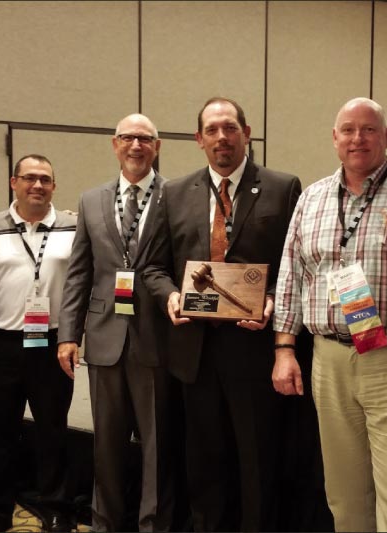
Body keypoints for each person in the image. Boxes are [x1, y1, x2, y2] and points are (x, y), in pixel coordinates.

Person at [271, 97, 387, 532]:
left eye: (369, 129)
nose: (359, 138)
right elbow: (290, 277)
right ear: (335, 138)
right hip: (328, 361)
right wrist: (284, 348)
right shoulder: (312, 198)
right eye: (349, 130)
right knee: (345, 495)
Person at [142, 97, 301, 531]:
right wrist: (170, 297)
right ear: (198, 139)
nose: (221, 137)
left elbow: (294, 265)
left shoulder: (282, 187)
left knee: (257, 463)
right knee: (204, 465)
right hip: (194, 353)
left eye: (230, 127)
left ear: (246, 133)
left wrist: (270, 298)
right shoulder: (174, 192)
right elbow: (153, 267)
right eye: (211, 130)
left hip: (253, 352)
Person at [56, 114, 174, 532]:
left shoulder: (174, 196)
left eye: (145, 138)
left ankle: (152, 525)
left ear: (156, 146)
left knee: (157, 447)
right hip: (104, 337)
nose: (136, 146)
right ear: (115, 144)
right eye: (128, 138)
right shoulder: (91, 200)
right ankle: (105, 524)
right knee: (105, 444)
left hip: (156, 340)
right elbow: (79, 272)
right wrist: (68, 335)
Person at [0, 154, 77, 532]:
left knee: (53, 431)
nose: (38, 185)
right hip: (1, 343)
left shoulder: (72, 226)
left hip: (52, 343)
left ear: (54, 186)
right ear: (13, 182)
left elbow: (80, 284)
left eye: (45, 179)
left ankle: (56, 509)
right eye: (30, 178)